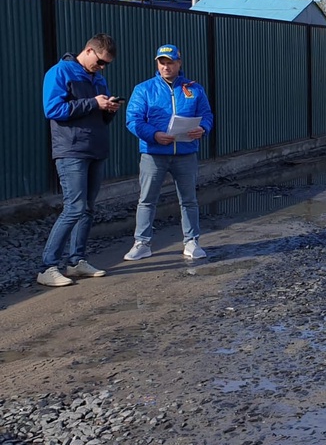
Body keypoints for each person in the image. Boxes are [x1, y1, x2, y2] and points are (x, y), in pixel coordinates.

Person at [37, 33, 124, 287]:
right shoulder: (60, 72)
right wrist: (92, 104)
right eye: (100, 62)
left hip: (95, 148)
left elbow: (98, 115)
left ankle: (77, 261)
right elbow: (52, 110)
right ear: (88, 51)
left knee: (87, 207)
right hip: (71, 150)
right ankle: (47, 266)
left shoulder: (98, 78)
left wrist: (108, 109)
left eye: (106, 64)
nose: (102, 67)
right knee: (74, 207)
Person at [123, 44, 214, 261]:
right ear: (157, 63)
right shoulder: (144, 89)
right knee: (147, 199)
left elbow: (207, 114)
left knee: (189, 199)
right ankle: (142, 243)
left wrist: (203, 129)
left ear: (179, 63)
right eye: (162, 62)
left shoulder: (194, 89)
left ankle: (192, 241)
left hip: (185, 153)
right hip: (154, 153)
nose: (166, 66)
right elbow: (133, 120)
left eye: (170, 62)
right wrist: (154, 135)